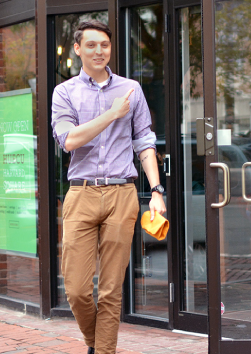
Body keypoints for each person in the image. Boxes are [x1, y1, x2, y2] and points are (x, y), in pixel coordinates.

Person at [51, 20, 166, 354]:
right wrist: (113, 114)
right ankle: (94, 342)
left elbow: (145, 143)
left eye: (104, 44)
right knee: (76, 288)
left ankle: (103, 351)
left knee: (111, 290)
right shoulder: (65, 92)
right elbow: (69, 139)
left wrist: (156, 191)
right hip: (81, 194)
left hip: (122, 194)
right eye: (91, 45)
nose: (99, 51)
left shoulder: (131, 89)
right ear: (77, 49)